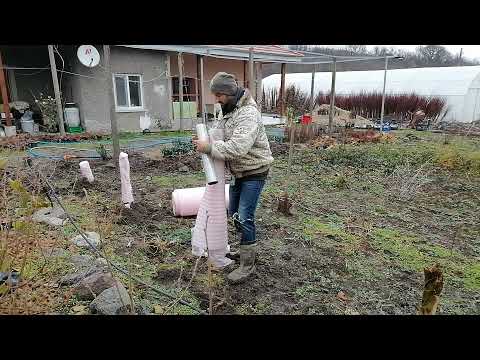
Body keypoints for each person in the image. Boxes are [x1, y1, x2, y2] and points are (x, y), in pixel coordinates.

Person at [193, 72, 273, 283]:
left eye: (219, 94)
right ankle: (246, 249)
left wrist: (209, 147)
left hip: (255, 171)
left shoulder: (248, 114)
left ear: (229, 92)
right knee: (235, 213)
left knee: (245, 216)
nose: (216, 99)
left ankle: (248, 265)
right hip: (238, 171)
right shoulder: (226, 109)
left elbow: (238, 147)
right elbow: (219, 131)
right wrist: (206, 138)